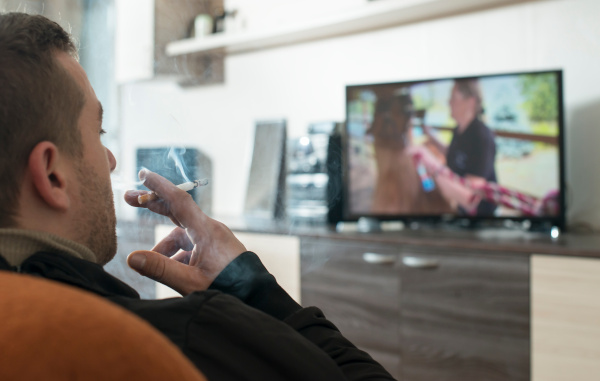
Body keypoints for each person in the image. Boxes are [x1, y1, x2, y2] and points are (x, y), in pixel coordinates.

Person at [0, 12, 395, 381]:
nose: (111, 159)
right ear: (52, 174)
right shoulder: (192, 335)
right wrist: (250, 285)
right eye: (98, 133)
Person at [411, 78, 498, 216]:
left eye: (453, 97)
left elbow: (469, 198)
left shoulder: (482, 137)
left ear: (470, 102)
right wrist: (431, 137)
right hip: (460, 211)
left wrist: (428, 161)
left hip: (481, 217)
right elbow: (453, 154)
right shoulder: (459, 130)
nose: (448, 102)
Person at [366, 89, 451, 215]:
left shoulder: (413, 154)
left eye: (409, 112)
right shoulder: (388, 146)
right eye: (405, 111)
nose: (409, 117)